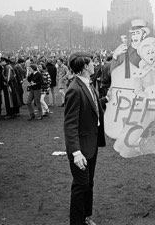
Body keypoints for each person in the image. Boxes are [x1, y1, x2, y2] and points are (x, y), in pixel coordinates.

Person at [64, 53, 108, 225]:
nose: (94, 64)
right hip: (81, 148)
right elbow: (70, 125)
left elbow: (91, 105)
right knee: (80, 186)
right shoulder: (74, 89)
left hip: (91, 144)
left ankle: (86, 216)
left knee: (88, 183)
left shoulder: (86, 84)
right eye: (91, 63)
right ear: (84, 68)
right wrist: (76, 152)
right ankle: (76, 221)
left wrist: (105, 99)